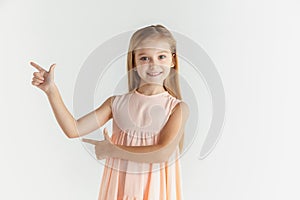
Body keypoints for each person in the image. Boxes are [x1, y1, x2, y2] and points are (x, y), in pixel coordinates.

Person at [30, 24, 189, 200]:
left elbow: (162, 153)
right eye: (144, 58)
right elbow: (73, 129)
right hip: (119, 191)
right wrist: (51, 91)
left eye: (161, 57)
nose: (153, 65)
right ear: (134, 60)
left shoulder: (177, 108)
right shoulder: (116, 103)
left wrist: (112, 150)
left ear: (172, 60)